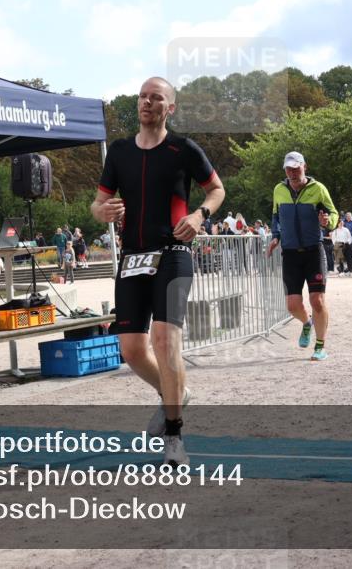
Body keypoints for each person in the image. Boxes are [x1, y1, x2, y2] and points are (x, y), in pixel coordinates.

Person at [91, 76, 224, 468]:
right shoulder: (118, 151)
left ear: (171, 108)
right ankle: (175, 395)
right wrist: (104, 211)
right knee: (131, 349)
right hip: (133, 257)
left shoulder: (183, 149)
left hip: (173, 253)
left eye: (156, 98)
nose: (147, 102)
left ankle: (174, 434)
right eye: (142, 97)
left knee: (165, 342)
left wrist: (201, 215)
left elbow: (216, 189)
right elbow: (97, 204)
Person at [266, 151, 338, 362]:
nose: (292, 173)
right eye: (288, 169)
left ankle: (320, 346)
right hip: (289, 253)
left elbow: (333, 213)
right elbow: (275, 216)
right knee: (292, 305)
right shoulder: (279, 190)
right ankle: (307, 324)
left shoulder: (318, 189)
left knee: (317, 300)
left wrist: (328, 223)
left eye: (296, 168)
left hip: (313, 251)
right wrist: (275, 236)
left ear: (304, 166)